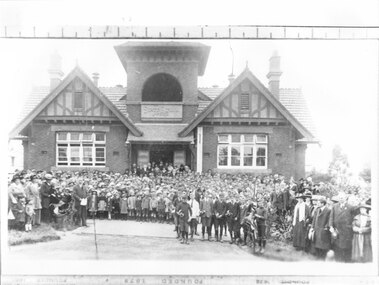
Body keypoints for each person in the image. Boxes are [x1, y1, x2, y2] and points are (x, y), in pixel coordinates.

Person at [328, 193, 356, 262]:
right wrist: (331, 226)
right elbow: (331, 217)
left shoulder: (350, 207)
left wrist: (350, 226)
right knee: (337, 246)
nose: (341, 199)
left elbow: (353, 219)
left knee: (346, 247)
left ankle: (347, 262)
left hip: (346, 231)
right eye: (340, 198)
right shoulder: (334, 206)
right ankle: (338, 261)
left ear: (345, 198)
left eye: (342, 198)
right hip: (337, 230)